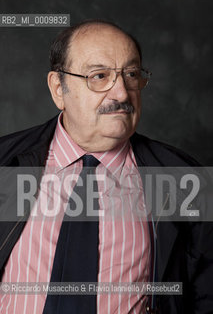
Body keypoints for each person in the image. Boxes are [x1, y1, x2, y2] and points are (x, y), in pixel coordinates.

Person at [0, 19, 212, 314]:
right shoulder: (5, 164)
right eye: (99, 76)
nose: (123, 94)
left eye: (131, 74)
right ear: (58, 88)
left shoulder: (187, 182)